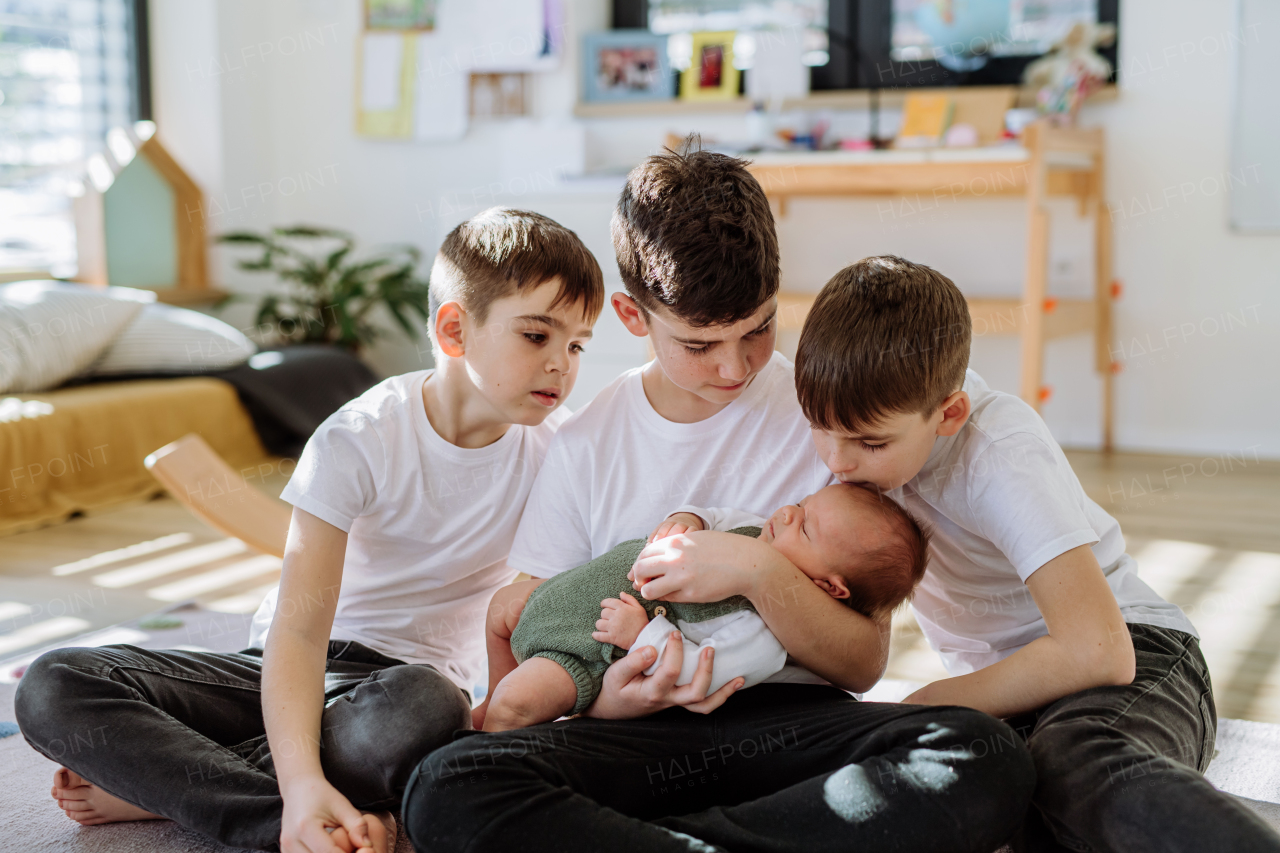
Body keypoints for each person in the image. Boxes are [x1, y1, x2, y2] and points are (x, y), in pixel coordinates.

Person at [402, 144, 1036, 853]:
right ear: (632, 316)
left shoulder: (828, 424)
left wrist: (756, 570)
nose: (734, 365)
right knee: (449, 783)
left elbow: (862, 662)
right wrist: (614, 697)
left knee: (984, 753)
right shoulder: (584, 444)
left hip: (794, 726)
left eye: (758, 328)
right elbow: (535, 639)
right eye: (700, 343)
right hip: (633, 736)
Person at [14, 208, 604, 853]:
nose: (561, 365)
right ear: (455, 329)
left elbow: (543, 609)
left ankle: (166, 786)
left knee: (427, 708)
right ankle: (284, 816)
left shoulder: (559, 453)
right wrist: (295, 787)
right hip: (287, 670)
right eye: (536, 336)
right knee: (53, 682)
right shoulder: (360, 436)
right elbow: (298, 630)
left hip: (401, 699)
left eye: (577, 344)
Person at [780, 255, 1279, 852]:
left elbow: (1098, 653)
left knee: (1072, 760)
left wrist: (922, 702)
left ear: (949, 414)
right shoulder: (858, 442)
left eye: (870, 442)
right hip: (1013, 692)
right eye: (820, 428)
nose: (836, 463)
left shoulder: (999, 452)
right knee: (987, 790)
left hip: (1137, 656)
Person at [478, 483, 929, 732]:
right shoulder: (758, 530)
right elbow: (715, 516)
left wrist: (640, 637)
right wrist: (689, 520)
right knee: (500, 608)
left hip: (589, 650)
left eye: (806, 528)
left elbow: (700, 672)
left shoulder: (762, 637)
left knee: (517, 705)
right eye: (802, 504)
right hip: (570, 595)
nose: (789, 513)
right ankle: (489, 703)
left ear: (829, 588)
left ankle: (491, 744)